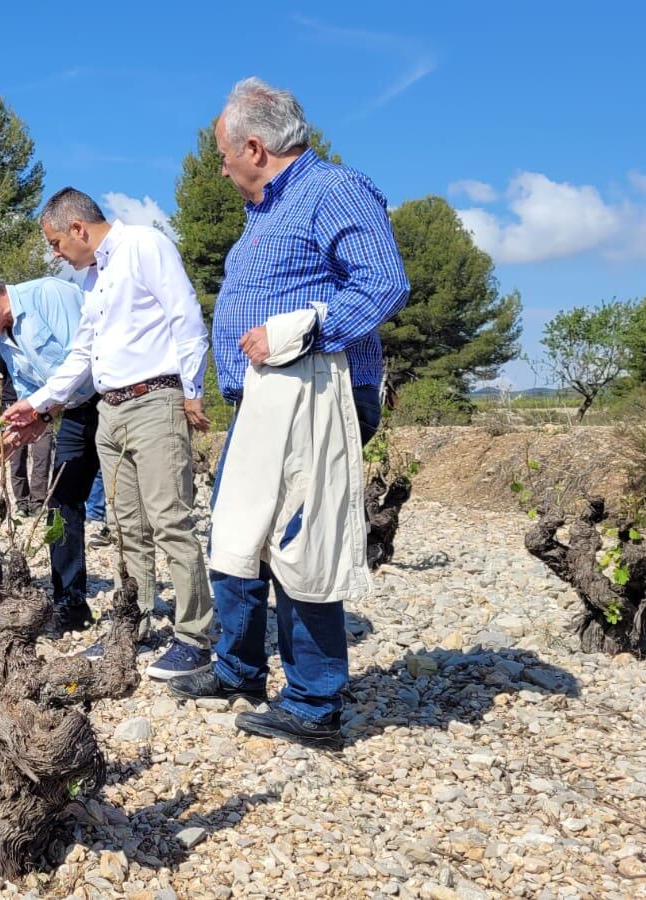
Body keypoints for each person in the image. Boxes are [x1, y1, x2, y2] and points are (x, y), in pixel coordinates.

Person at [167, 78, 409, 749]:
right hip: (267, 400)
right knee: (239, 532)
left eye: (222, 154)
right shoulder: (267, 212)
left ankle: (313, 703)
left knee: (300, 543)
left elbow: (385, 282)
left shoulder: (330, 189)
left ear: (253, 145)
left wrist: (301, 331)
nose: (219, 168)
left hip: (315, 397)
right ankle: (238, 669)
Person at [4, 187, 214, 681]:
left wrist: (193, 388)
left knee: (170, 521)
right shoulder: (94, 280)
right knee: (126, 529)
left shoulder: (144, 245)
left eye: (56, 243)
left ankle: (194, 637)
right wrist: (36, 403)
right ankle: (131, 621)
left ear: (78, 229)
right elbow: (82, 355)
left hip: (155, 399)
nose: (56, 254)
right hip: (111, 409)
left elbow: (185, 314)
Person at [0, 268, 98, 632]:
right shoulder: (3, 337)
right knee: (61, 502)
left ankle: (142, 607)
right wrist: (11, 440)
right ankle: (71, 605)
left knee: (130, 503)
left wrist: (39, 407)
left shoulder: (50, 294)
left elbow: (84, 362)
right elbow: (37, 402)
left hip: (111, 402)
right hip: (75, 412)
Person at [0, 353, 52, 516]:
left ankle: (37, 502)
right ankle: (22, 502)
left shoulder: (38, 348)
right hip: (12, 404)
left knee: (42, 455)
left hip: (42, 406)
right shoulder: (4, 350)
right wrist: (1, 404)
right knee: (16, 458)